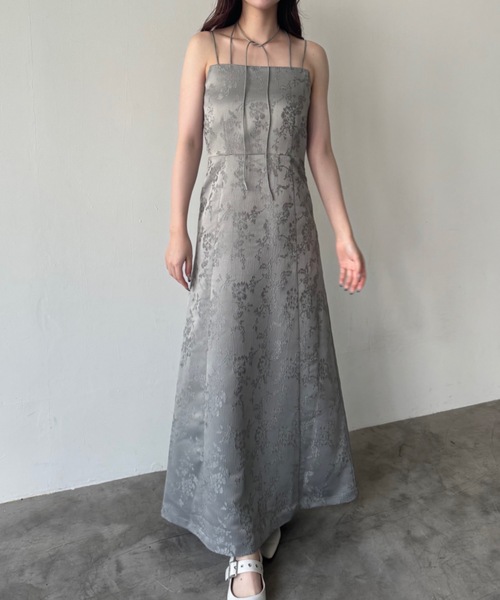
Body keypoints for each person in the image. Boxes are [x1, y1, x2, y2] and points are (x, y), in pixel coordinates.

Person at [161, 1, 367, 598]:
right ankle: (240, 545)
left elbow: (319, 152)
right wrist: (176, 227)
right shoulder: (204, 48)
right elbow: (188, 140)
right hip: (225, 236)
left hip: (289, 238)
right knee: (230, 372)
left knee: (282, 371)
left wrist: (344, 235)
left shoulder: (311, 57)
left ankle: (267, 506)